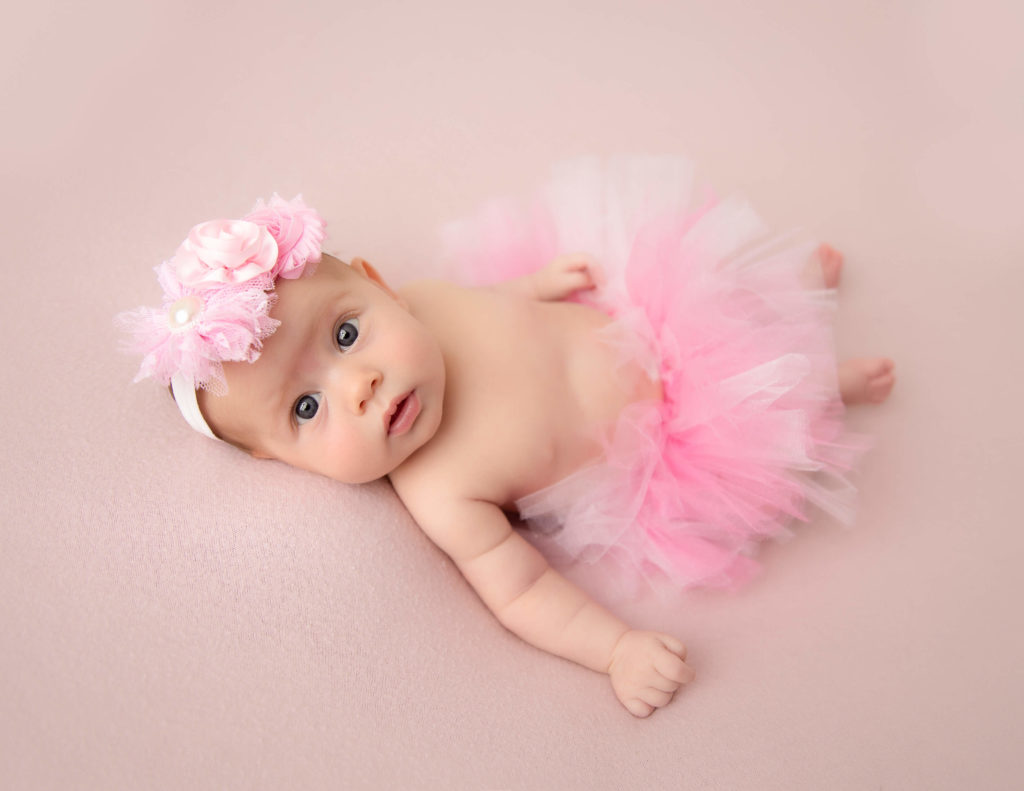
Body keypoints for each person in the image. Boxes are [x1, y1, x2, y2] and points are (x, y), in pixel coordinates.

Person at [117, 157, 895, 717]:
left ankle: (791, 288)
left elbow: (486, 301)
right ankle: (836, 378)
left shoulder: (425, 302)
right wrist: (615, 648)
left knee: (715, 293)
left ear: (380, 285)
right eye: (307, 410)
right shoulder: (440, 489)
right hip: (671, 435)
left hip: (638, 321)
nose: (357, 386)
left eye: (348, 332)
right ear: (283, 462)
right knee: (770, 407)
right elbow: (522, 590)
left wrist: (534, 287)